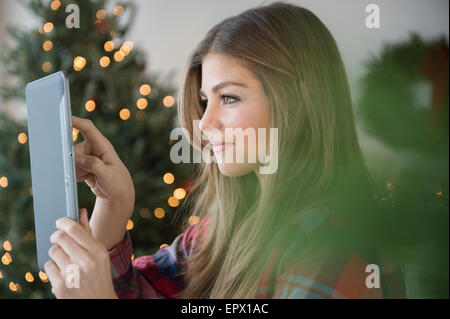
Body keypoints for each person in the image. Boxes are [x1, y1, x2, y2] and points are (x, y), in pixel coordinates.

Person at [44, 1, 405, 299]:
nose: (204, 123)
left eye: (229, 98)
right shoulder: (226, 228)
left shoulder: (332, 243)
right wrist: (113, 207)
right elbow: (137, 293)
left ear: (298, 101)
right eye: (205, 101)